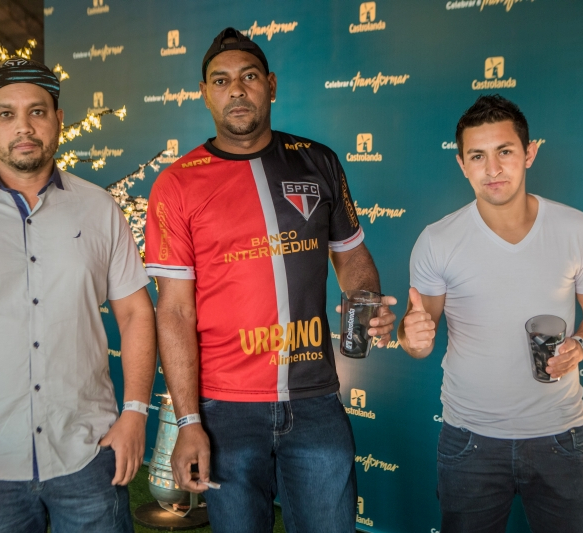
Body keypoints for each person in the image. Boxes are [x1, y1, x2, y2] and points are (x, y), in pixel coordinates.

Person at [144, 27, 397, 533]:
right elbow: (174, 310)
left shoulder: (318, 160)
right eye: (221, 81)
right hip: (225, 409)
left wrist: (367, 300)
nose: (236, 90)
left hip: (315, 399)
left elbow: (351, 256)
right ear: (205, 93)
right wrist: (188, 421)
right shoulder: (176, 183)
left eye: (249, 77)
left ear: (272, 85)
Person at [0, 57, 156, 533]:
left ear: (58, 119)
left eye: (37, 111)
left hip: (88, 452)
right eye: (6, 114)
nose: (23, 126)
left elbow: (137, 313)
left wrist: (136, 413)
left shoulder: (100, 209)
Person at [397, 94, 583, 533]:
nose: (493, 169)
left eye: (505, 151)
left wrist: (580, 345)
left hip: (561, 435)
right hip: (469, 440)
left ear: (529, 153)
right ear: (462, 164)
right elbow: (417, 337)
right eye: (478, 156)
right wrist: (411, 337)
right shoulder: (437, 240)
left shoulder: (578, 229)